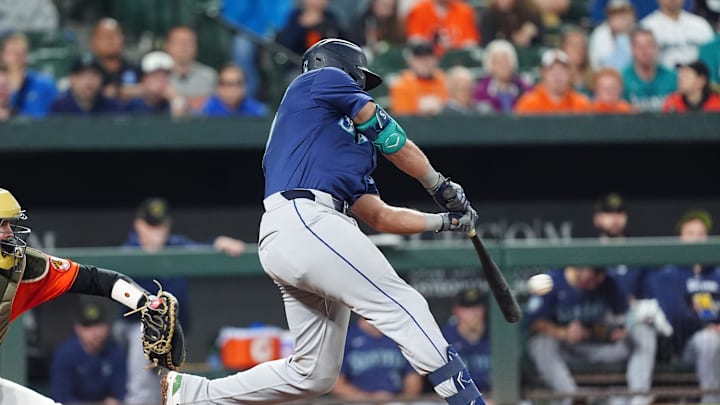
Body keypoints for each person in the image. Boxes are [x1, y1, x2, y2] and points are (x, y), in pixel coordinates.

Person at [161, 38, 485, 405]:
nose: (361, 86)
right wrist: (438, 184)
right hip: (307, 218)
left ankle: (193, 395)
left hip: (305, 231)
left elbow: (378, 215)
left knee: (313, 373)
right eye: (359, 78)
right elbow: (391, 137)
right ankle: (466, 399)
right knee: (401, 303)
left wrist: (442, 221)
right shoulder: (316, 81)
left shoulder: (343, 141)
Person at [0, 188, 178, 405]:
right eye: (2, 224)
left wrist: (149, 303)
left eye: (9, 224)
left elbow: (95, 280)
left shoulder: (27, 267)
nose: (9, 232)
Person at [121, 197, 245, 405]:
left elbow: (202, 252)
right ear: (138, 225)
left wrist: (218, 243)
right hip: (136, 330)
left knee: (169, 386)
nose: (156, 232)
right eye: (151, 226)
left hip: (172, 332)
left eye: (160, 226)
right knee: (143, 387)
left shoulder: (176, 244)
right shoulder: (128, 252)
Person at [526, 266, 656, 405]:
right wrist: (563, 332)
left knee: (644, 333)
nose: (597, 281)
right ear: (579, 266)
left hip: (602, 349)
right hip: (566, 352)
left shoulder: (607, 282)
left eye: (600, 274)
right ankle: (573, 397)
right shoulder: (552, 281)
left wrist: (626, 329)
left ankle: (639, 397)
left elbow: (627, 315)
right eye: (593, 274)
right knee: (540, 343)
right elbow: (534, 323)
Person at [643, 209, 720, 404]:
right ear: (680, 238)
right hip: (686, 348)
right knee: (708, 340)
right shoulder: (669, 275)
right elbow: (675, 318)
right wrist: (707, 327)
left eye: (701, 234)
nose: (696, 239)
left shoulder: (716, 273)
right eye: (690, 234)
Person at [50, 301, 126, 404]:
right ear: (78, 329)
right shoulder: (66, 354)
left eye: (98, 325)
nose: (94, 332)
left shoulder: (115, 352)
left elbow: (121, 393)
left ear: (107, 327)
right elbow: (61, 398)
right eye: (88, 327)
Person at [331, 317, 423, 401]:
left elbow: (413, 379)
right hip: (358, 401)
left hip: (396, 400)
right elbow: (336, 384)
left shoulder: (400, 336)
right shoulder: (347, 337)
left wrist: (400, 401)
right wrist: (370, 399)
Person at [442, 288, 491, 397]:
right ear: (456, 311)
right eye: (467, 309)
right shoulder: (445, 338)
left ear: (484, 310)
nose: (474, 314)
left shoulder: (496, 336)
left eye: (477, 308)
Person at [640, 0, 714, 68]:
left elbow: (713, 56)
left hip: (698, 78)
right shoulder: (647, 27)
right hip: (664, 80)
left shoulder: (700, 24)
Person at [514, 49, 591, 114]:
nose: (557, 75)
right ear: (543, 73)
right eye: (552, 70)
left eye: (562, 70)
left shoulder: (580, 104)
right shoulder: (528, 103)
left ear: (569, 74)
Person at [1, 33, 58, 118]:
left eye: (22, 52)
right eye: (12, 52)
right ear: (3, 56)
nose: (17, 57)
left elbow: (58, 117)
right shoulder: (1, 85)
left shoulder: (45, 84)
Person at [621, 28, 677, 111]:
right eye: (639, 46)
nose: (644, 51)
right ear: (632, 49)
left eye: (649, 46)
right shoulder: (622, 78)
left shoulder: (672, 77)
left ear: (656, 48)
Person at [165, 26, 218, 111]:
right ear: (168, 46)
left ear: (196, 47)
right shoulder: (158, 76)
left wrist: (181, 101)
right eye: (179, 42)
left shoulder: (210, 76)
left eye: (188, 42)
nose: (183, 46)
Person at [389, 41, 448, 116]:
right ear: (410, 61)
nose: (425, 63)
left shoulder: (443, 79)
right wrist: (418, 108)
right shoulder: (401, 84)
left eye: (429, 58)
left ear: (436, 60)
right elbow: (401, 117)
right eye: (419, 59)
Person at [89, 18, 142, 101]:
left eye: (114, 35)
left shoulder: (134, 68)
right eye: (105, 36)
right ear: (93, 42)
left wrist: (118, 91)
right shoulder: (87, 70)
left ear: (122, 39)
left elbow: (149, 90)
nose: (110, 40)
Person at [473, 39, 532, 113]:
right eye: (498, 62)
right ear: (490, 66)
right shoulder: (480, 93)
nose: (503, 66)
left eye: (506, 61)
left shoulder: (525, 89)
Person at [123, 51, 188, 117]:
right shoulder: (132, 103)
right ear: (144, 79)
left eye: (164, 77)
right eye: (155, 77)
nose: (160, 82)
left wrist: (176, 99)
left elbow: (179, 123)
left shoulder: (169, 102)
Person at [49, 55, 120, 115]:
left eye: (94, 75)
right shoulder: (59, 107)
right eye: (82, 75)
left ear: (101, 79)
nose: (89, 81)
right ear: (72, 78)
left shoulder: (112, 107)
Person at [405, 0, 480, 54]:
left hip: (456, 61)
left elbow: (471, 43)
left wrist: (454, 47)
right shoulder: (418, 9)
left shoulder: (465, 11)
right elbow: (415, 41)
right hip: (427, 60)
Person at [276, 0, 348, 56]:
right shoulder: (295, 17)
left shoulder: (331, 18)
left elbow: (342, 42)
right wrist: (302, 26)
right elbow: (285, 46)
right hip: (299, 64)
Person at [200, 64, 268, 117]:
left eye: (239, 83)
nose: (234, 88)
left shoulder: (259, 112)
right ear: (219, 87)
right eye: (229, 84)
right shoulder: (205, 113)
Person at [588, 0, 636, 71]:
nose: (620, 18)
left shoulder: (639, 31)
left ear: (632, 15)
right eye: (615, 14)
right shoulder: (600, 33)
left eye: (623, 13)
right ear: (608, 16)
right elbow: (599, 65)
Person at [479, 0, 544, 48]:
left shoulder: (529, 11)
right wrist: (512, 40)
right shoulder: (489, 15)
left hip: (529, 55)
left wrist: (530, 34)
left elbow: (541, 39)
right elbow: (487, 44)